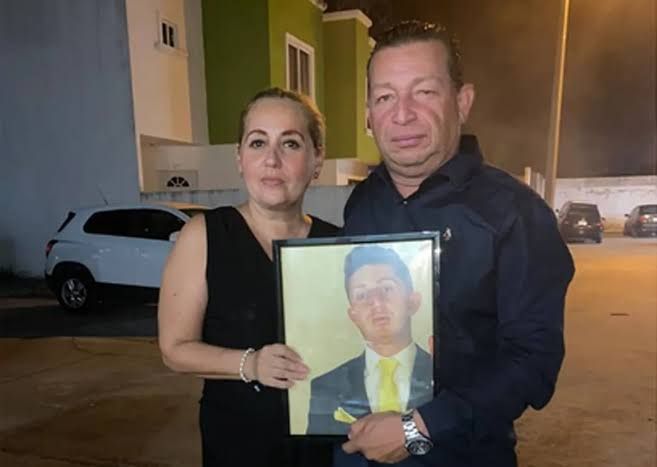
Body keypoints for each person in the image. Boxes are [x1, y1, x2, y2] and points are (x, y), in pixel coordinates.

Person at [337, 21, 575, 467]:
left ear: (462, 102)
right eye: (385, 97)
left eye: (424, 92)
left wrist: (417, 428)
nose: (402, 114)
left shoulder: (515, 214)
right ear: (369, 113)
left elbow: (535, 362)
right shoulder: (362, 203)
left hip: (464, 455)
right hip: (357, 451)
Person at [157, 87, 338, 467]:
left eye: (290, 143)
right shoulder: (205, 235)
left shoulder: (337, 244)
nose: (272, 159)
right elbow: (174, 349)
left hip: (325, 448)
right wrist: (251, 364)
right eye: (258, 142)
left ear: (317, 159)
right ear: (239, 157)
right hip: (238, 445)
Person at [306, 245, 433, 435]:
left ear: (413, 302)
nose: (376, 302)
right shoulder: (326, 386)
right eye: (362, 295)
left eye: (387, 288)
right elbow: (319, 449)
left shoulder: (441, 372)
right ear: (353, 315)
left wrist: (410, 437)